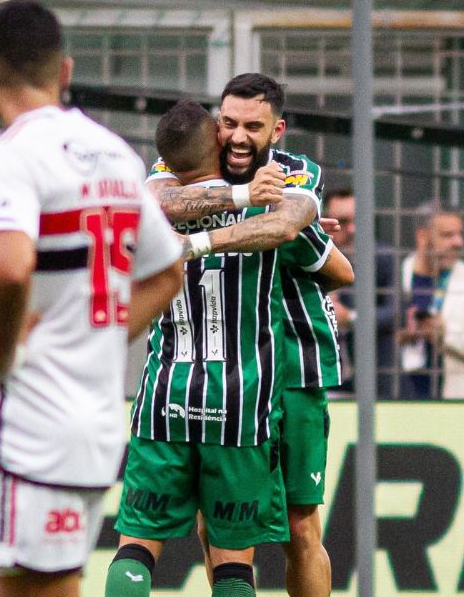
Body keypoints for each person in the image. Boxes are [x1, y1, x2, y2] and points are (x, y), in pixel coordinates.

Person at [0, 2, 183, 596]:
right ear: (66, 71)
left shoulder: (8, 155)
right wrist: (91, 334)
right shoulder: (115, 154)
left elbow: (8, 267)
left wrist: (4, 355)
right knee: (49, 586)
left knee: (8, 585)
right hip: (95, 419)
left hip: (27, 418)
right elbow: (166, 272)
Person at [106, 97, 349, 597]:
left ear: (277, 129)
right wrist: (288, 228)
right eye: (229, 125)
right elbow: (339, 268)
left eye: (251, 127)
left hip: (168, 394)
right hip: (241, 400)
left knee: (137, 545)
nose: (238, 137)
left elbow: (147, 204)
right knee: (234, 557)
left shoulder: (288, 175)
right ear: (216, 133)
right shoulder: (263, 205)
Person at [399, 200, 464, 400]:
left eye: (460, 234)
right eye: (448, 235)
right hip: (402, 395)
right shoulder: (400, 274)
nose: (458, 243)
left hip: (458, 402)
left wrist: (447, 336)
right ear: (423, 237)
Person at [322, 188, 398, 398]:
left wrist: (350, 317)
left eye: (359, 219)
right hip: (322, 375)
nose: (353, 228)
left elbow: (394, 312)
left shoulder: (382, 257)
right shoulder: (308, 257)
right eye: (343, 221)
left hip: (373, 377)